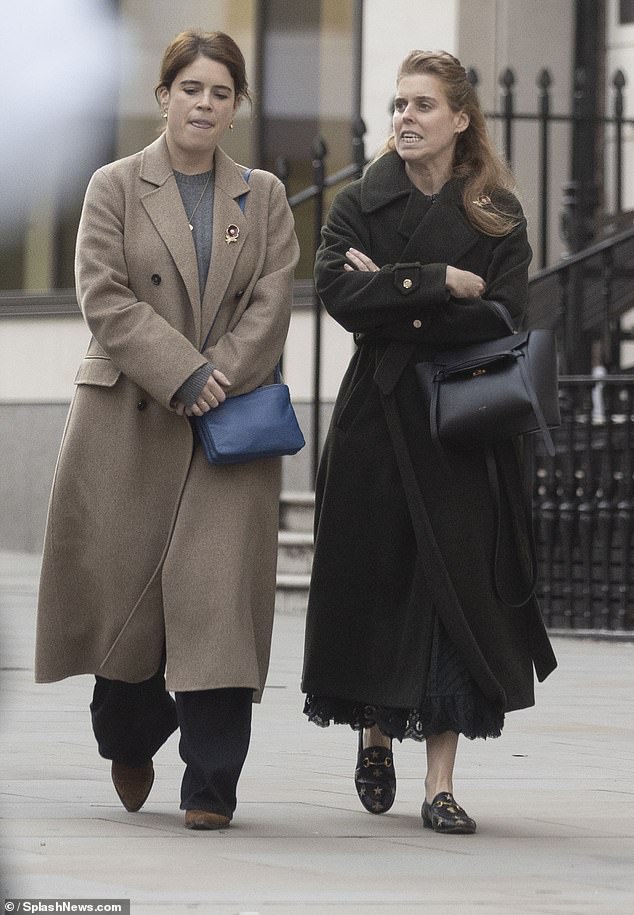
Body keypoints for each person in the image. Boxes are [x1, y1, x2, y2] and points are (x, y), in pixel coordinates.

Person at [35, 29, 299, 830]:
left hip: (231, 425)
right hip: (131, 418)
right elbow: (103, 295)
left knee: (219, 605)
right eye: (192, 88)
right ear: (165, 95)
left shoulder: (265, 196)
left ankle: (212, 784)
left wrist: (217, 372)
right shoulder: (114, 185)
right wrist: (180, 369)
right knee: (128, 600)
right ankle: (129, 734)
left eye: (221, 92)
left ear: (236, 106)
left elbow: (274, 296)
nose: (205, 103)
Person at [301, 50, 557, 834]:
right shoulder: (357, 203)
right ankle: (374, 734)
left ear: (459, 119)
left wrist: (392, 288)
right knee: (376, 586)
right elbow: (336, 292)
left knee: (455, 601)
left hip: (460, 428)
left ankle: (439, 784)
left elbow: (504, 317)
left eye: (421, 105)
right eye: (398, 104)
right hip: (376, 427)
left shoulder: (500, 215)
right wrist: (435, 280)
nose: (404, 118)